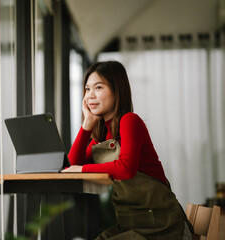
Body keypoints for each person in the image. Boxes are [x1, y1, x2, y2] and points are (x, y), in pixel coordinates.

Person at [62, 61, 192, 240]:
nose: (90, 96)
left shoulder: (130, 121)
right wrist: (87, 125)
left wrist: (82, 169)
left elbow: (125, 168)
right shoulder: (101, 134)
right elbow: (72, 166)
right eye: (87, 89)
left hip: (163, 225)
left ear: (117, 90)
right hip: (131, 225)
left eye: (98, 87)